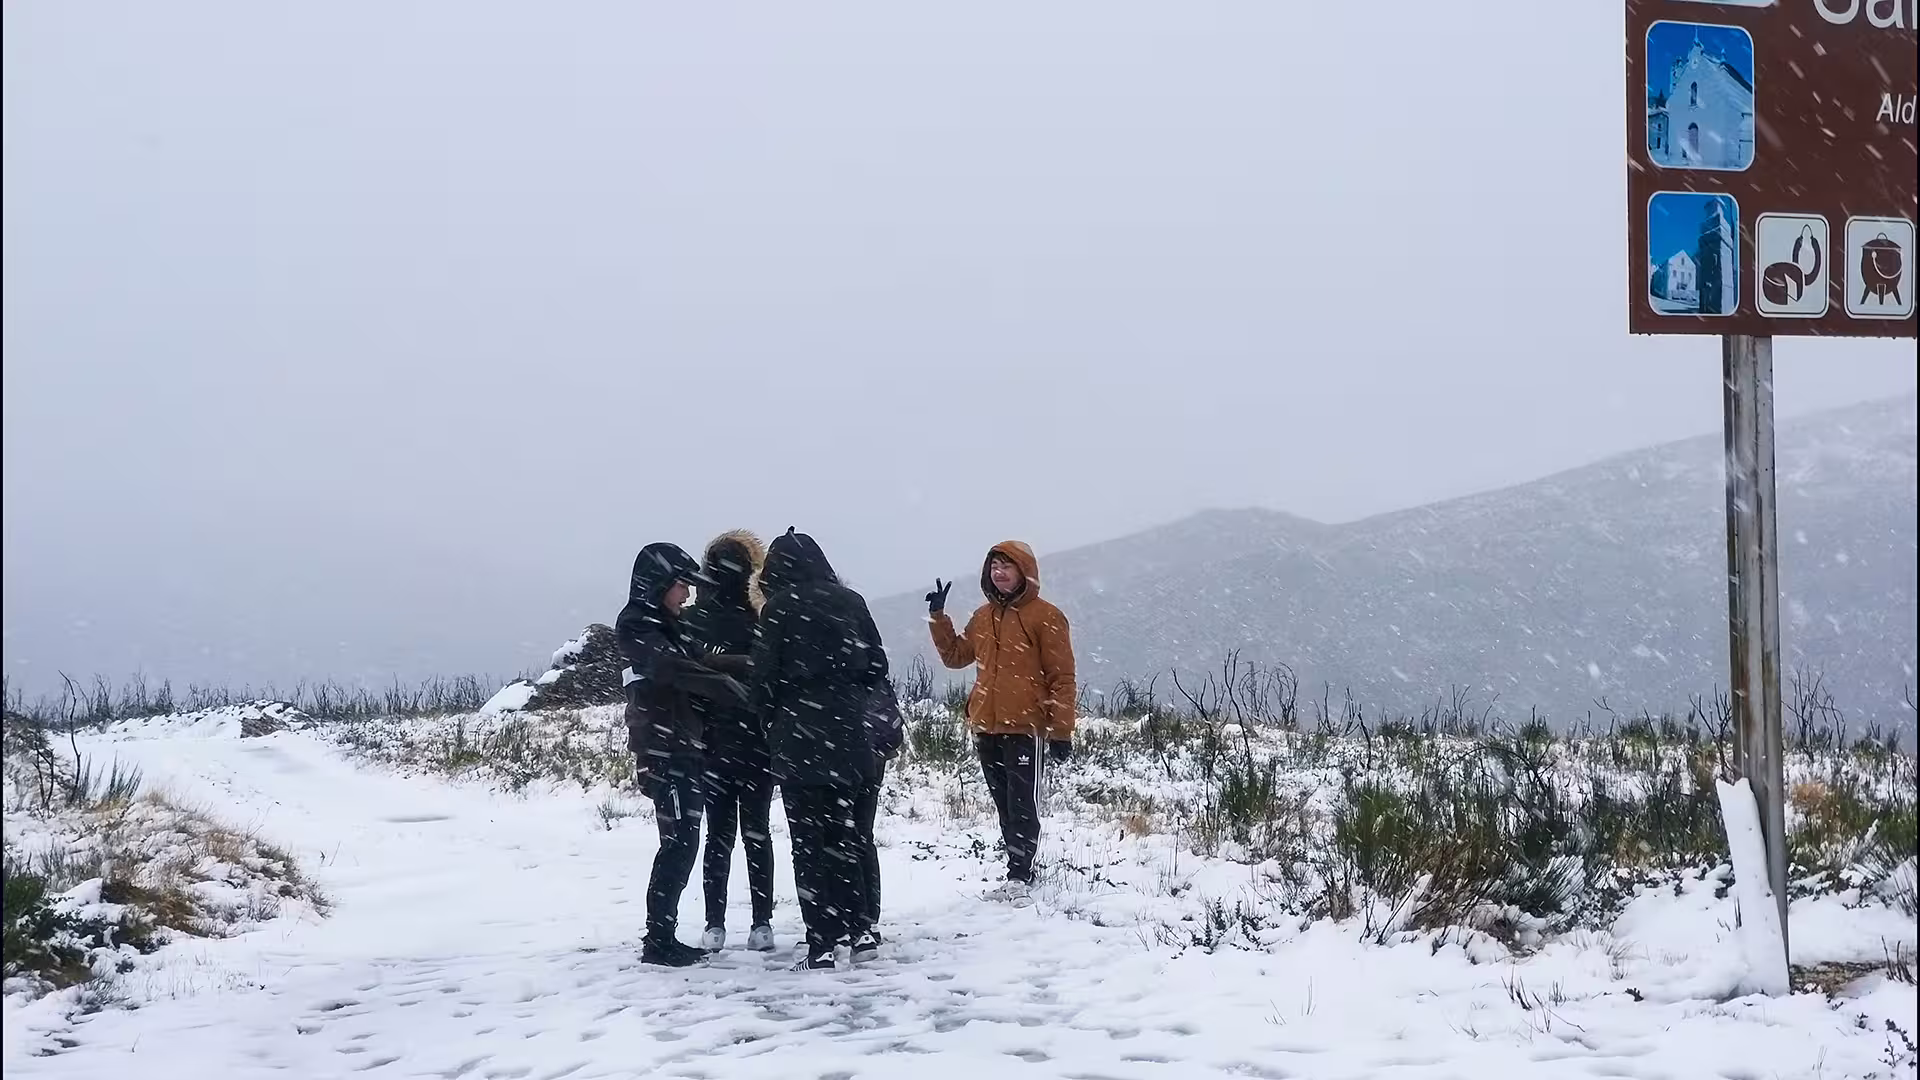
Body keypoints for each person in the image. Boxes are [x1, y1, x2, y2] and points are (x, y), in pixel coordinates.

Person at [750, 528, 889, 970]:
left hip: (799, 739)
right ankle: (862, 928)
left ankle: (822, 942)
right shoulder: (852, 603)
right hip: (852, 735)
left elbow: (763, 680)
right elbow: (877, 666)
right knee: (850, 835)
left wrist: (771, 716)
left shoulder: (778, 610)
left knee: (808, 842)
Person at [616, 542, 749, 968]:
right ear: (659, 585)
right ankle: (658, 939)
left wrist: (745, 665)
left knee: (685, 840)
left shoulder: (668, 625)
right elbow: (673, 668)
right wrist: (724, 686)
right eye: (681, 586)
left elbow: (697, 661)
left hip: (684, 747)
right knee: (678, 842)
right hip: (662, 749)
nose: (688, 595)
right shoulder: (638, 624)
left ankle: (664, 933)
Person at [927, 541, 1077, 906]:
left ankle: (1020, 874)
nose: (998, 572)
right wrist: (938, 618)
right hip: (987, 725)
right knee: (1004, 802)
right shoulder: (983, 616)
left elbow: (1063, 677)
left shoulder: (1046, 616)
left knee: (1022, 802)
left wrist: (1060, 731)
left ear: (1024, 571)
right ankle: (1016, 869)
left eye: (1006, 566)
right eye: (994, 565)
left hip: (1026, 726)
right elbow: (955, 657)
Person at [679, 530, 778, 954]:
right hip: (756, 741)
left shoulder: (693, 619)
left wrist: (714, 664)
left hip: (711, 742)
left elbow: (684, 671)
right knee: (757, 833)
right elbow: (770, 673)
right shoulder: (762, 617)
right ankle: (762, 923)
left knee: (718, 835)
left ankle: (714, 923)